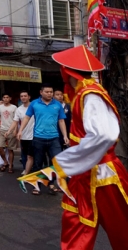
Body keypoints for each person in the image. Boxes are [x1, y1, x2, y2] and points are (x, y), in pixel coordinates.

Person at [50, 45, 128, 249]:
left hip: (103, 175)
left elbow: (104, 134)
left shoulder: (90, 95)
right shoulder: (82, 94)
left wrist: (66, 162)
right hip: (83, 174)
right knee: (75, 225)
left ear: (66, 71)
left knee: (121, 230)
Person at [17, 83, 68, 194]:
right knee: (37, 163)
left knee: (54, 163)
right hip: (38, 138)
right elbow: (26, 117)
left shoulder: (57, 105)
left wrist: (65, 135)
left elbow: (61, 121)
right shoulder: (34, 104)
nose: (49, 94)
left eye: (51, 92)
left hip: (54, 138)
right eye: (47, 92)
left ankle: (50, 184)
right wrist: (20, 131)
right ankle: (37, 186)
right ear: (41, 92)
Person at [8, 91, 35, 178]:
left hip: (35, 135)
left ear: (29, 97)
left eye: (25, 96)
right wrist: (9, 131)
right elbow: (15, 121)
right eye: (21, 96)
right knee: (24, 154)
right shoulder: (19, 109)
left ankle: (34, 170)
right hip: (23, 135)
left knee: (33, 154)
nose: (23, 97)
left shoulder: (35, 107)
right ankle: (25, 169)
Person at [0, 94, 18, 173]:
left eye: (7, 97)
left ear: (10, 98)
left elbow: (16, 119)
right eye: (4, 97)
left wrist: (16, 130)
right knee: (0, 147)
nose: (5, 99)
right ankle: (5, 161)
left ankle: (10, 165)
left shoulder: (14, 107)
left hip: (11, 129)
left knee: (10, 149)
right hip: (2, 129)